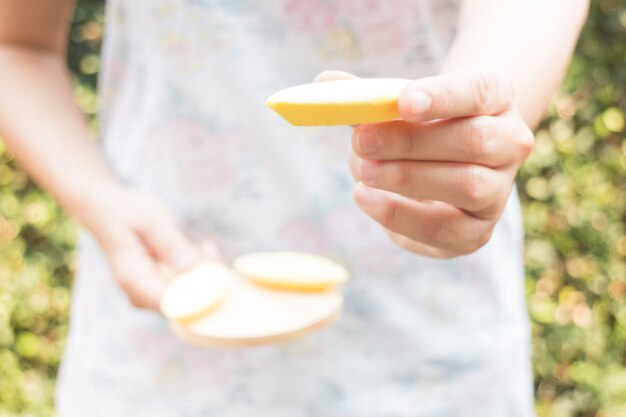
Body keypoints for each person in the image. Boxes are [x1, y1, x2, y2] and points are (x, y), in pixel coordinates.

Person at [0, 0, 588, 416]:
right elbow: (14, 43)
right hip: (158, 349)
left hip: (428, 354)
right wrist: (101, 201)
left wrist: (467, 142)